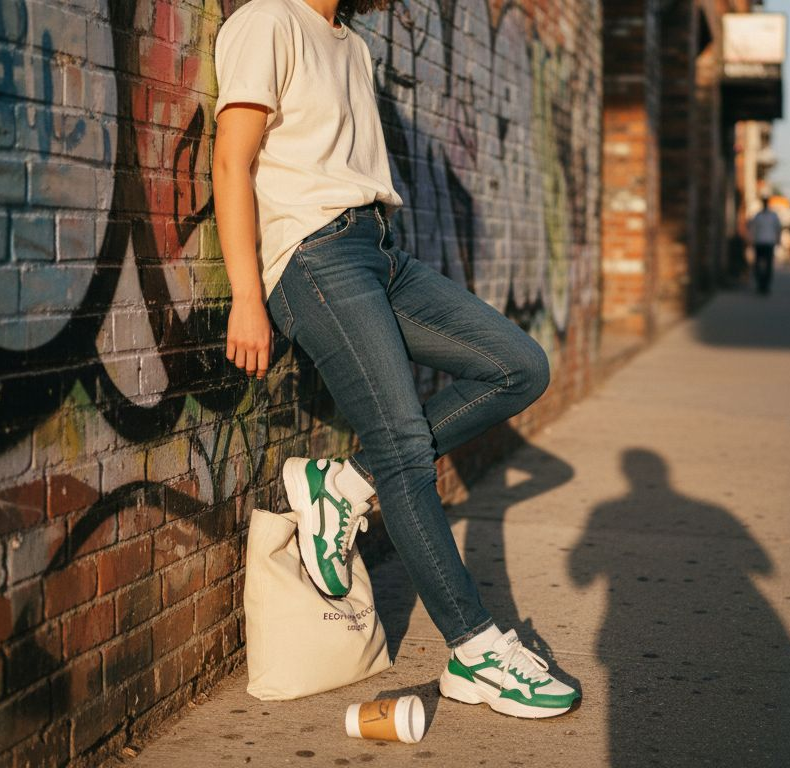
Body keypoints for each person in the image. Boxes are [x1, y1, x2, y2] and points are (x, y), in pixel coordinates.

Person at [211, 0, 579, 718]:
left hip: (378, 251)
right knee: (406, 448)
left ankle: (346, 484)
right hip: (315, 261)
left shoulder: (348, 42)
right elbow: (232, 159)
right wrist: (246, 298)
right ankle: (475, 652)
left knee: (519, 365)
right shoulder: (266, 20)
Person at [747, 199, 781, 295]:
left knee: (768, 266)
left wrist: (778, 240)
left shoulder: (773, 216)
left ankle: (766, 285)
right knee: (758, 265)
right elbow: (752, 228)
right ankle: (760, 284)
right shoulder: (758, 216)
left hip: (769, 243)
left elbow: (778, 228)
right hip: (759, 242)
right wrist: (751, 240)